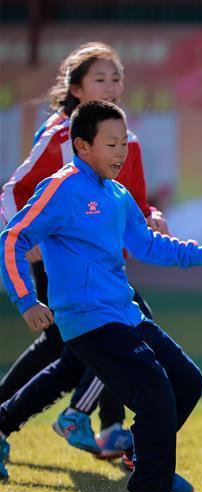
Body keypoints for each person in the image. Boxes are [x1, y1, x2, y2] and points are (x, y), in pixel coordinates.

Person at [0, 101, 202, 492]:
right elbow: (12, 237)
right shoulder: (61, 188)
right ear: (82, 146)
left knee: (186, 382)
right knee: (155, 391)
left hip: (124, 313)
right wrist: (26, 300)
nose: (121, 152)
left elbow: (145, 245)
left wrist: (200, 253)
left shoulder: (117, 193)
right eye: (111, 143)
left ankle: (142, 456)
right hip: (87, 319)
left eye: (124, 142)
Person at [0, 42, 167, 458]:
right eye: (100, 79)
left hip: (106, 269)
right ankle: (83, 418)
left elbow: (135, 202)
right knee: (102, 337)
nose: (111, 87)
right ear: (76, 89)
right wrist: (27, 240)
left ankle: (107, 427)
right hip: (66, 266)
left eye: (116, 78)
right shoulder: (60, 137)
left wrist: (152, 218)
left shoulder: (128, 138)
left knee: (73, 348)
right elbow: (14, 193)